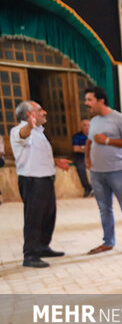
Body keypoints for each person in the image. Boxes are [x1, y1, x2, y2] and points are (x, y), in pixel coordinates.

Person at [10, 101, 70, 268]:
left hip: (45, 180)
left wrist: (56, 161)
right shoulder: (19, 130)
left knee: (48, 215)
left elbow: (34, 155)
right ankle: (30, 255)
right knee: (34, 219)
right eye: (39, 110)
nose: (45, 112)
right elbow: (23, 135)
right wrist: (29, 125)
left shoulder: (40, 133)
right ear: (30, 115)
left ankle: (42, 247)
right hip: (32, 181)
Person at [84, 87, 122, 256]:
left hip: (118, 171)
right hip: (97, 172)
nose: (86, 103)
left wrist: (108, 140)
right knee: (104, 208)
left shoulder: (119, 119)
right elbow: (90, 141)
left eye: (89, 100)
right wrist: (87, 158)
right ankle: (108, 242)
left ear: (101, 100)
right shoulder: (94, 121)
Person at [72, 118, 93, 197]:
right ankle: (87, 188)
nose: (87, 127)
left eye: (89, 125)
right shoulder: (77, 136)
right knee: (80, 167)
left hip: (93, 156)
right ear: (81, 127)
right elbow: (76, 149)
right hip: (80, 157)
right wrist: (88, 148)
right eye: (85, 125)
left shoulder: (95, 136)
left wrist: (83, 148)